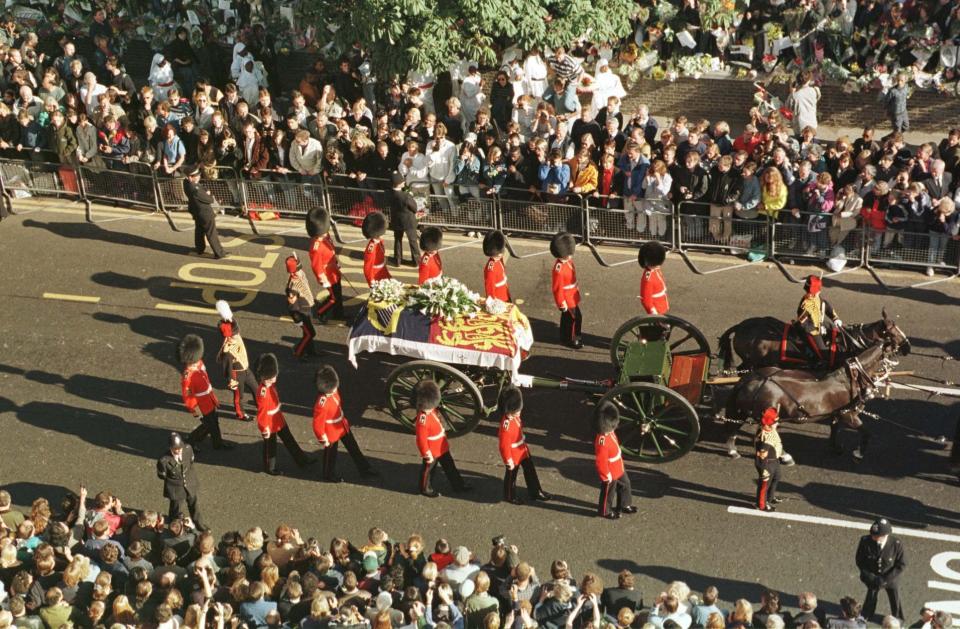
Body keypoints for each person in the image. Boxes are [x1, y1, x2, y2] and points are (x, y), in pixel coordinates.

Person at [312, 365, 379, 483]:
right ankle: (328, 474)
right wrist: (322, 437)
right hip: (331, 431)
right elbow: (318, 423)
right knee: (330, 456)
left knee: (354, 448)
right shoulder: (322, 403)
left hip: (342, 425)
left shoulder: (333, 390)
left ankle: (365, 468)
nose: (335, 389)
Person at [254, 353, 315, 475]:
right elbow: (262, 413)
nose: (273, 379)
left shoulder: (270, 386)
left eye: (273, 377)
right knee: (270, 446)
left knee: (289, 439)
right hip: (269, 423)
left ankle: (302, 459)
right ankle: (269, 467)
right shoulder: (263, 392)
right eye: (270, 378)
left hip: (277, 418)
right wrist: (264, 427)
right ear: (262, 377)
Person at [414, 380, 471, 497]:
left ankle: (458, 485)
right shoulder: (422, 420)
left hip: (442, 446)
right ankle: (425, 488)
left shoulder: (431, 409)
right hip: (432, 450)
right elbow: (421, 440)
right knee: (428, 471)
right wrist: (426, 454)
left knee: (450, 467)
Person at [497, 387, 550, 505]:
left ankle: (535, 492)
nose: (519, 412)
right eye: (517, 410)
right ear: (509, 410)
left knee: (530, 470)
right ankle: (510, 496)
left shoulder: (514, 417)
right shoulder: (506, 426)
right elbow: (504, 446)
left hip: (522, 450)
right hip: (514, 454)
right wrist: (508, 460)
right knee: (511, 477)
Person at [177, 334, 230, 451]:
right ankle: (191, 441)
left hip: (209, 399)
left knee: (213, 422)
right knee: (208, 425)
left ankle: (216, 443)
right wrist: (195, 410)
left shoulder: (198, 362)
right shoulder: (188, 376)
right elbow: (188, 396)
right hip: (200, 405)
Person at [856, 518, 905, 622]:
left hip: (890, 577)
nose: (873, 537)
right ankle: (867, 614)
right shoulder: (865, 541)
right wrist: (869, 576)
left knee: (895, 597)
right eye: (873, 535)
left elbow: (901, 564)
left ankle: (898, 618)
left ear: (885, 535)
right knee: (871, 596)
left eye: (876, 536)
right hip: (872, 577)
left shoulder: (896, 544)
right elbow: (860, 560)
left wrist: (885, 579)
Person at [215, 300, 256, 422]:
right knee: (239, 396)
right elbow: (227, 367)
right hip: (237, 374)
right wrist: (231, 380)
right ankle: (240, 414)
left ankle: (260, 405)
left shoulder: (235, 336)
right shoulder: (227, 350)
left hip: (245, 369)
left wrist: (228, 316)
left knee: (256, 388)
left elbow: (233, 324)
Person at [594, 402, 635, 519]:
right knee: (608, 493)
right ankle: (605, 511)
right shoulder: (602, 441)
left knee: (626, 484)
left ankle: (624, 504)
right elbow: (601, 462)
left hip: (618, 466)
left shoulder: (609, 431)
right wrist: (606, 476)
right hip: (610, 471)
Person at [156, 432, 204, 530]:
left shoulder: (188, 449)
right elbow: (162, 475)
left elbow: (190, 462)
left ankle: (199, 525)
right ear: (170, 448)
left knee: (194, 505)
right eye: (175, 449)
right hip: (176, 488)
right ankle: (174, 528)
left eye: (179, 448)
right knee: (175, 509)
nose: (177, 451)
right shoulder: (164, 460)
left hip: (190, 483)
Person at [306, 208, 344, 322]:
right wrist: (323, 280)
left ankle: (339, 314)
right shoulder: (316, 247)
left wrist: (336, 262)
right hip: (327, 275)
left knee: (338, 294)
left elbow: (331, 251)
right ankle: (320, 312)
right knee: (333, 298)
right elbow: (317, 266)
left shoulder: (325, 237)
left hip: (334, 271)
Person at [183, 165, 226, 259]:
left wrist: (205, 191)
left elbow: (201, 186)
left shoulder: (186, 183)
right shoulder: (195, 189)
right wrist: (209, 195)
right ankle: (219, 253)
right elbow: (209, 200)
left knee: (199, 230)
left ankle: (199, 249)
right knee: (211, 233)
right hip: (205, 213)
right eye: (196, 175)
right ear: (190, 177)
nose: (199, 176)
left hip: (196, 211)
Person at [795, 274, 841, 355]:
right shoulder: (806, 304)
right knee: (823, 352)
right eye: (809, 291)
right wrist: (819, 329)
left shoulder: (818, 298)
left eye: (812, 292)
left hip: (819, 324)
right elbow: (803, 324)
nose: (809, 294)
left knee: (834, 329)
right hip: (811, 331)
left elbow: (826, 306)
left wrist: (835, 318)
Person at [550, 232, 582, 349]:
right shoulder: (559, 269)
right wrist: (561, 302)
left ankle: (565, 337)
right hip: (567, 299)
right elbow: (557, 288)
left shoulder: (568, 262)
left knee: (567, 320)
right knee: (575, 319)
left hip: (572, 294)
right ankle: (572, 340)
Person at [284, 255, 318, 359]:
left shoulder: (300, 274)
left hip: (306, 308)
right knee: (310, 334)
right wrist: (298, 320)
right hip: (301, 313)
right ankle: (298, 352)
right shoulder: (292, 287)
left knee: (307, 334)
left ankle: (310, 351)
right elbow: (292, 306)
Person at [389, 172, 421, 266]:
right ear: (399, 183)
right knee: (413, 241)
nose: (404, 182)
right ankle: (416, 261)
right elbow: (414, 208)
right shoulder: (405, 196)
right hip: (408, 221)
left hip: (396, 220)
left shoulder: (390, 193)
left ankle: (397, 260)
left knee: (398, 239)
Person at [755, 408, 782, 512]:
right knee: (765, 484)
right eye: (776, 421)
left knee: (777, 477)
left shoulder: (771, 430)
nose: (777, 423)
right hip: (767, 463)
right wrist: (763, 470)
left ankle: (770, 498)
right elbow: (761, 456)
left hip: (775, 460)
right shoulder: (765, 438)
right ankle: (761, 504)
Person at [638, 241, 669, 315]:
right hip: (656, 308)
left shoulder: (656, 270)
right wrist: (653, 312)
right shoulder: (648, 279)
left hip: (661, 304)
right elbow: (646, 300)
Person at [362, 211, 391, 286]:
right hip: (375, 274)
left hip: (382, 270)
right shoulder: (371, 248)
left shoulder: (379, 241)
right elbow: (367, 267)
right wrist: (371, 280)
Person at [482, 230, 510, 302]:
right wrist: (492, 303)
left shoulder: (498, 259)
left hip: (505, 294)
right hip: (499, 300)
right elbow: (490, 289)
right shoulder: (491, 270)